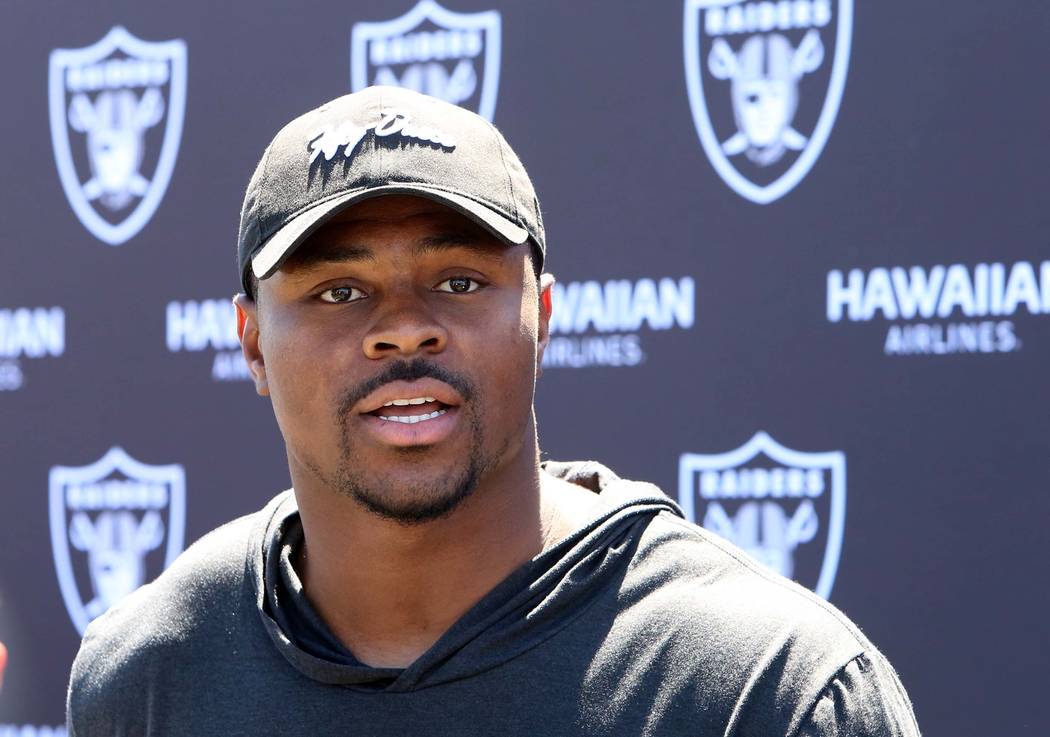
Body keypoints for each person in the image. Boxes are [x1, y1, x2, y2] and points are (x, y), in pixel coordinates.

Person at [66, 86, 921, 736]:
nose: (403, 327)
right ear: (253, 343)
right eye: (339, 291)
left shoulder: (762, 686)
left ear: (541, 317)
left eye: (459, 280)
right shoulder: (151, 675)